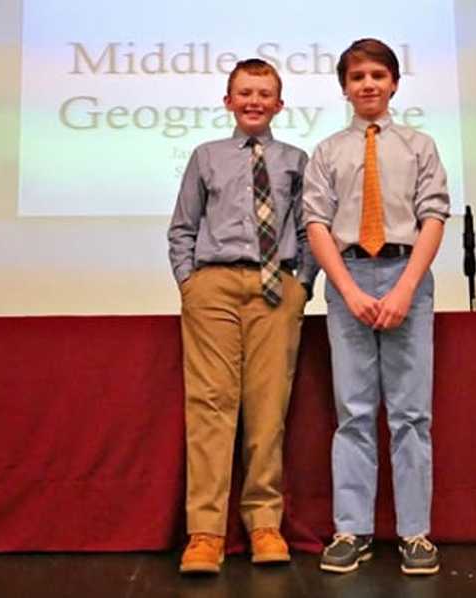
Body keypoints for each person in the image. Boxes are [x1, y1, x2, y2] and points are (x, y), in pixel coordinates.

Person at [303, 38, 450, 576]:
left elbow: (434, 216)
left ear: (393, 83)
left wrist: (407, 287)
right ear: (344, 87)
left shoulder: (419, 145)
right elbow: (316, 223)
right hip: (349, 281)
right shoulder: (327, 152)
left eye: (378, 75)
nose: (368, 84)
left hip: (406, 274)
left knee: (412, 413)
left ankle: (414, 533)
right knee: (354, 412)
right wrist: (348, 288)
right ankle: (352, 529)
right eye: (357, 76)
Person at [168, 58, 317, 574]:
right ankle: (204, 534)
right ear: (228, 101)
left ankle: (264, 524)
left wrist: (305, 285)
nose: (254, 101)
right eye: (244, 93)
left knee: (267, 408)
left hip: (276, 287)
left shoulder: (297, 159)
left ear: (279, 103)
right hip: (213, 286)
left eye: (265, 93)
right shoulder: (205, 156)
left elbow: (308, 229)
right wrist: (191, 282)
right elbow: (182, 227)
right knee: (211, 406)